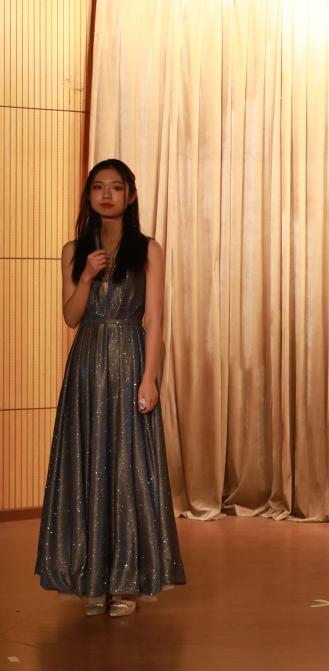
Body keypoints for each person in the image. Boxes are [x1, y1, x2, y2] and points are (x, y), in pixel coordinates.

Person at [35, 159, 186, 617]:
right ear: (89, 195)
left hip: (129, 360)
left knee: (127, 468)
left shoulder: (149, 249)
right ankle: (92, 580)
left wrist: (150, 377)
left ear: (130, 195)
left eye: (115, 188)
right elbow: (70, 316)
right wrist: (84, 276)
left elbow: (154, 318)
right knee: (87, 465)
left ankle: (126, 581)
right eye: (98, 187)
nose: (106, 195)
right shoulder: (73, 250)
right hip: (86, 365)